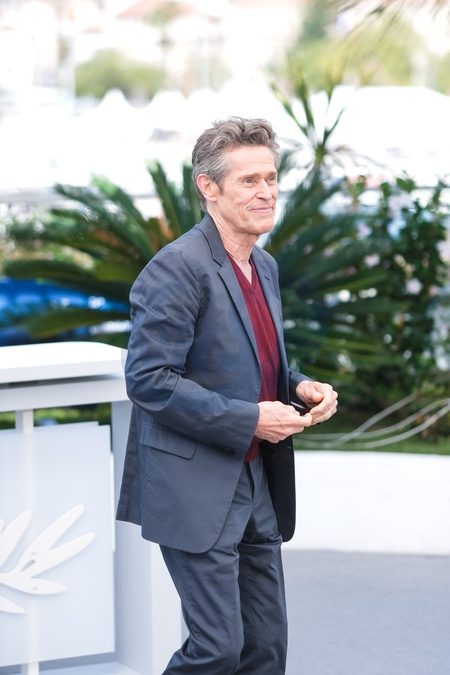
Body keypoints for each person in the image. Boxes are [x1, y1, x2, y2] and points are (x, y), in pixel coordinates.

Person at [116, 116, 338, 674]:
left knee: (265, 650)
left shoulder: (263, 265)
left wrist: (298, 385)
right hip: (196, 485)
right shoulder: (176, 268)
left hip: (257, 479)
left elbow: (252, 362)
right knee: (216, 649)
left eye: (271, 178)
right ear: (208, 187)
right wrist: (249, 421)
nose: (266, 192)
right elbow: (149, 379)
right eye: (249, 181)